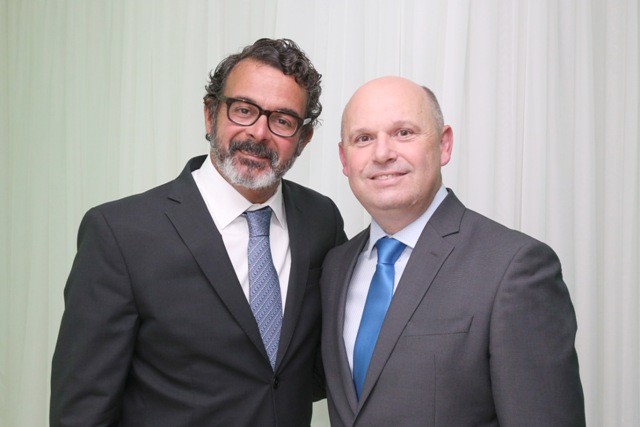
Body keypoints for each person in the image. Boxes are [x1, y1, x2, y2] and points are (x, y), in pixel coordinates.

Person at [51, 38, 346, 427]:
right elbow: (82, 410)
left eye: (283, 120)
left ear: (303, 139)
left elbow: (320, 361)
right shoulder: (120, 234)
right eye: (244, 110)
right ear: (210, 115)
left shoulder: (321, 220)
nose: (259, 132)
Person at [320, 76, 585, 426]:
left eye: (404, 133)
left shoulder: (515, 268)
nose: (382, 153)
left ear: (444, 145)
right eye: (364, 138)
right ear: (344, 158)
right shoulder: (335, 267)